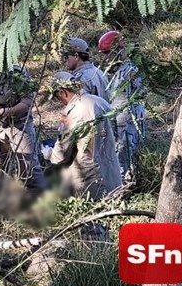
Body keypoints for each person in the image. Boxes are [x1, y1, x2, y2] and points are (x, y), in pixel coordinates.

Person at [42, 71, 122, 200]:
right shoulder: (100, 102)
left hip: (88, 179)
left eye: (58, 97)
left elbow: (61, 154)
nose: (60, 101)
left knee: (92, 216)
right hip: (111, 174)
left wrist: (49, 153)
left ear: (63, 92)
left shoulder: (71, 113)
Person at [0, 64, 47, 206]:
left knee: (28, 167)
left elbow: (28, 102)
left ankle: (40, 204)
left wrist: (9, 111)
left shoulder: (17, 73)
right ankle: (1, 204)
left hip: (19, 125)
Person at [98, 30, 146, 180]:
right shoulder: (114, 72)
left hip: (128, 122)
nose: (104, 58)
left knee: (125, 152)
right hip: (118, 120)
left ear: (117, 51)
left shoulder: (129, 71)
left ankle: (125, 185)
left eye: (106, 53)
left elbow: (141, 93)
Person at [62, 37, 110, 101]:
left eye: (66, 56)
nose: (64, 60)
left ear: (76, 56)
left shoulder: (80, 78)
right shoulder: (99, 71)